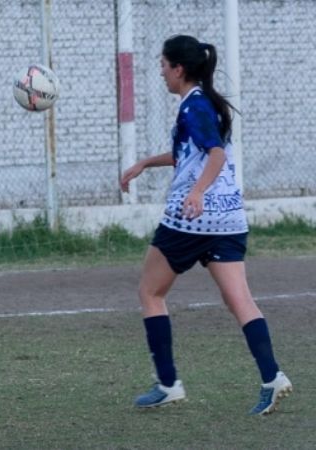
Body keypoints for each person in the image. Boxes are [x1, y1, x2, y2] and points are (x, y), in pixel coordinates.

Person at [119, 35, 292, 415]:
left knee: (150, 292)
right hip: (228, 218)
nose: (161, 72)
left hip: (191, 221)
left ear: (179, 69)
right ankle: (272, 377)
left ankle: (168, 384)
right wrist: (145, 162)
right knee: (240, 300)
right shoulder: (206, 104)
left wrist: (195, 193)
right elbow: (194, 153)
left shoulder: (193, 107)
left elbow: (213, 154)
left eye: (164, 66)